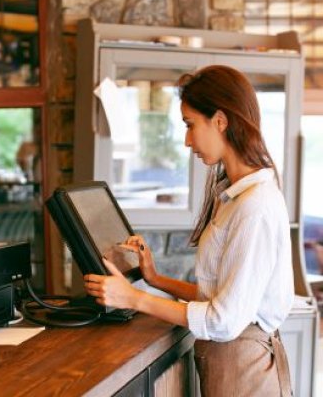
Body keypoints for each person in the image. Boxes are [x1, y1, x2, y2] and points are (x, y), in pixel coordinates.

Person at [84, 65, 294, 397]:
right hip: (234, 363)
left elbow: (223, 320)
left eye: (189, 124)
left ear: (221, 121)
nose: (186, 140)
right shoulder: (235, 195)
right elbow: (218, 295)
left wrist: (133, 298)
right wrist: (154, 279)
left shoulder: (255, 207)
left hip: (244, 369)